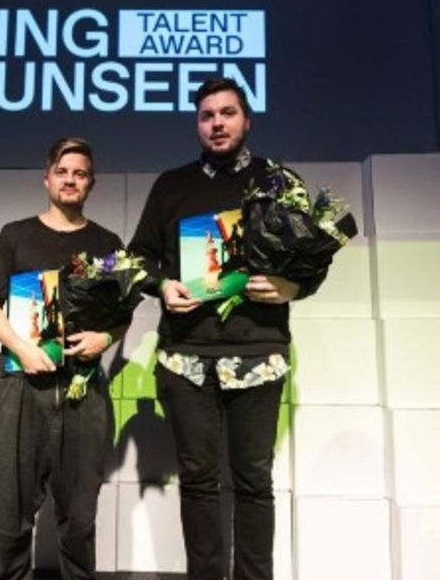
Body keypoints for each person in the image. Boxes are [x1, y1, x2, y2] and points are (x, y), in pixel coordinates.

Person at [127, 77, 328, 580]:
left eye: (227, 113)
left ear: (247, 120)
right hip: (185, 354)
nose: (217, 123)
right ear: (197, 124)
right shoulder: (171, 185)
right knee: (198, 481)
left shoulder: (279, 181)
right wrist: (162, 284)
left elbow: (312, 261)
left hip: (258, 352)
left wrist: (292, 287)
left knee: (254, 481)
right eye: (207, 115)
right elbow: (137, 258)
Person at [0, 137, 123, 579]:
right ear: (47, 179)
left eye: (80, 173)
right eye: (62, 172)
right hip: (19, 389)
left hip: (82, 392)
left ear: (91, 182)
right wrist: (22, 348)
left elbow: (121, 315)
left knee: (79, 523)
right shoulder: (15, 235)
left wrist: (105, 337)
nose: (70, 180)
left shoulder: (107, 242)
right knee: (8, 519)